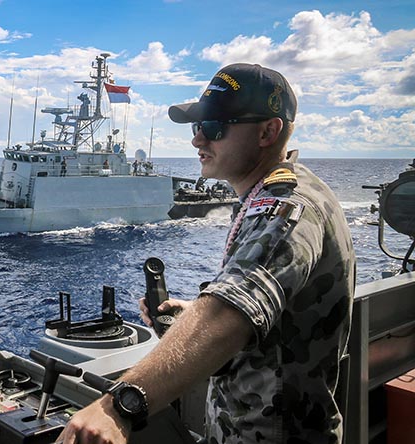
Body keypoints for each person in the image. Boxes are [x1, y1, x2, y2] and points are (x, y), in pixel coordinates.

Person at [58, 64, 355, 444]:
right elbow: (261, 324)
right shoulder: (271, 197)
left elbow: (228, 313)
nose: (198, 140)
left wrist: (119, 406)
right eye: (195, 127)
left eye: (213, 127)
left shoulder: (285, 207)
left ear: (268, 132)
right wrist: (189, 319)